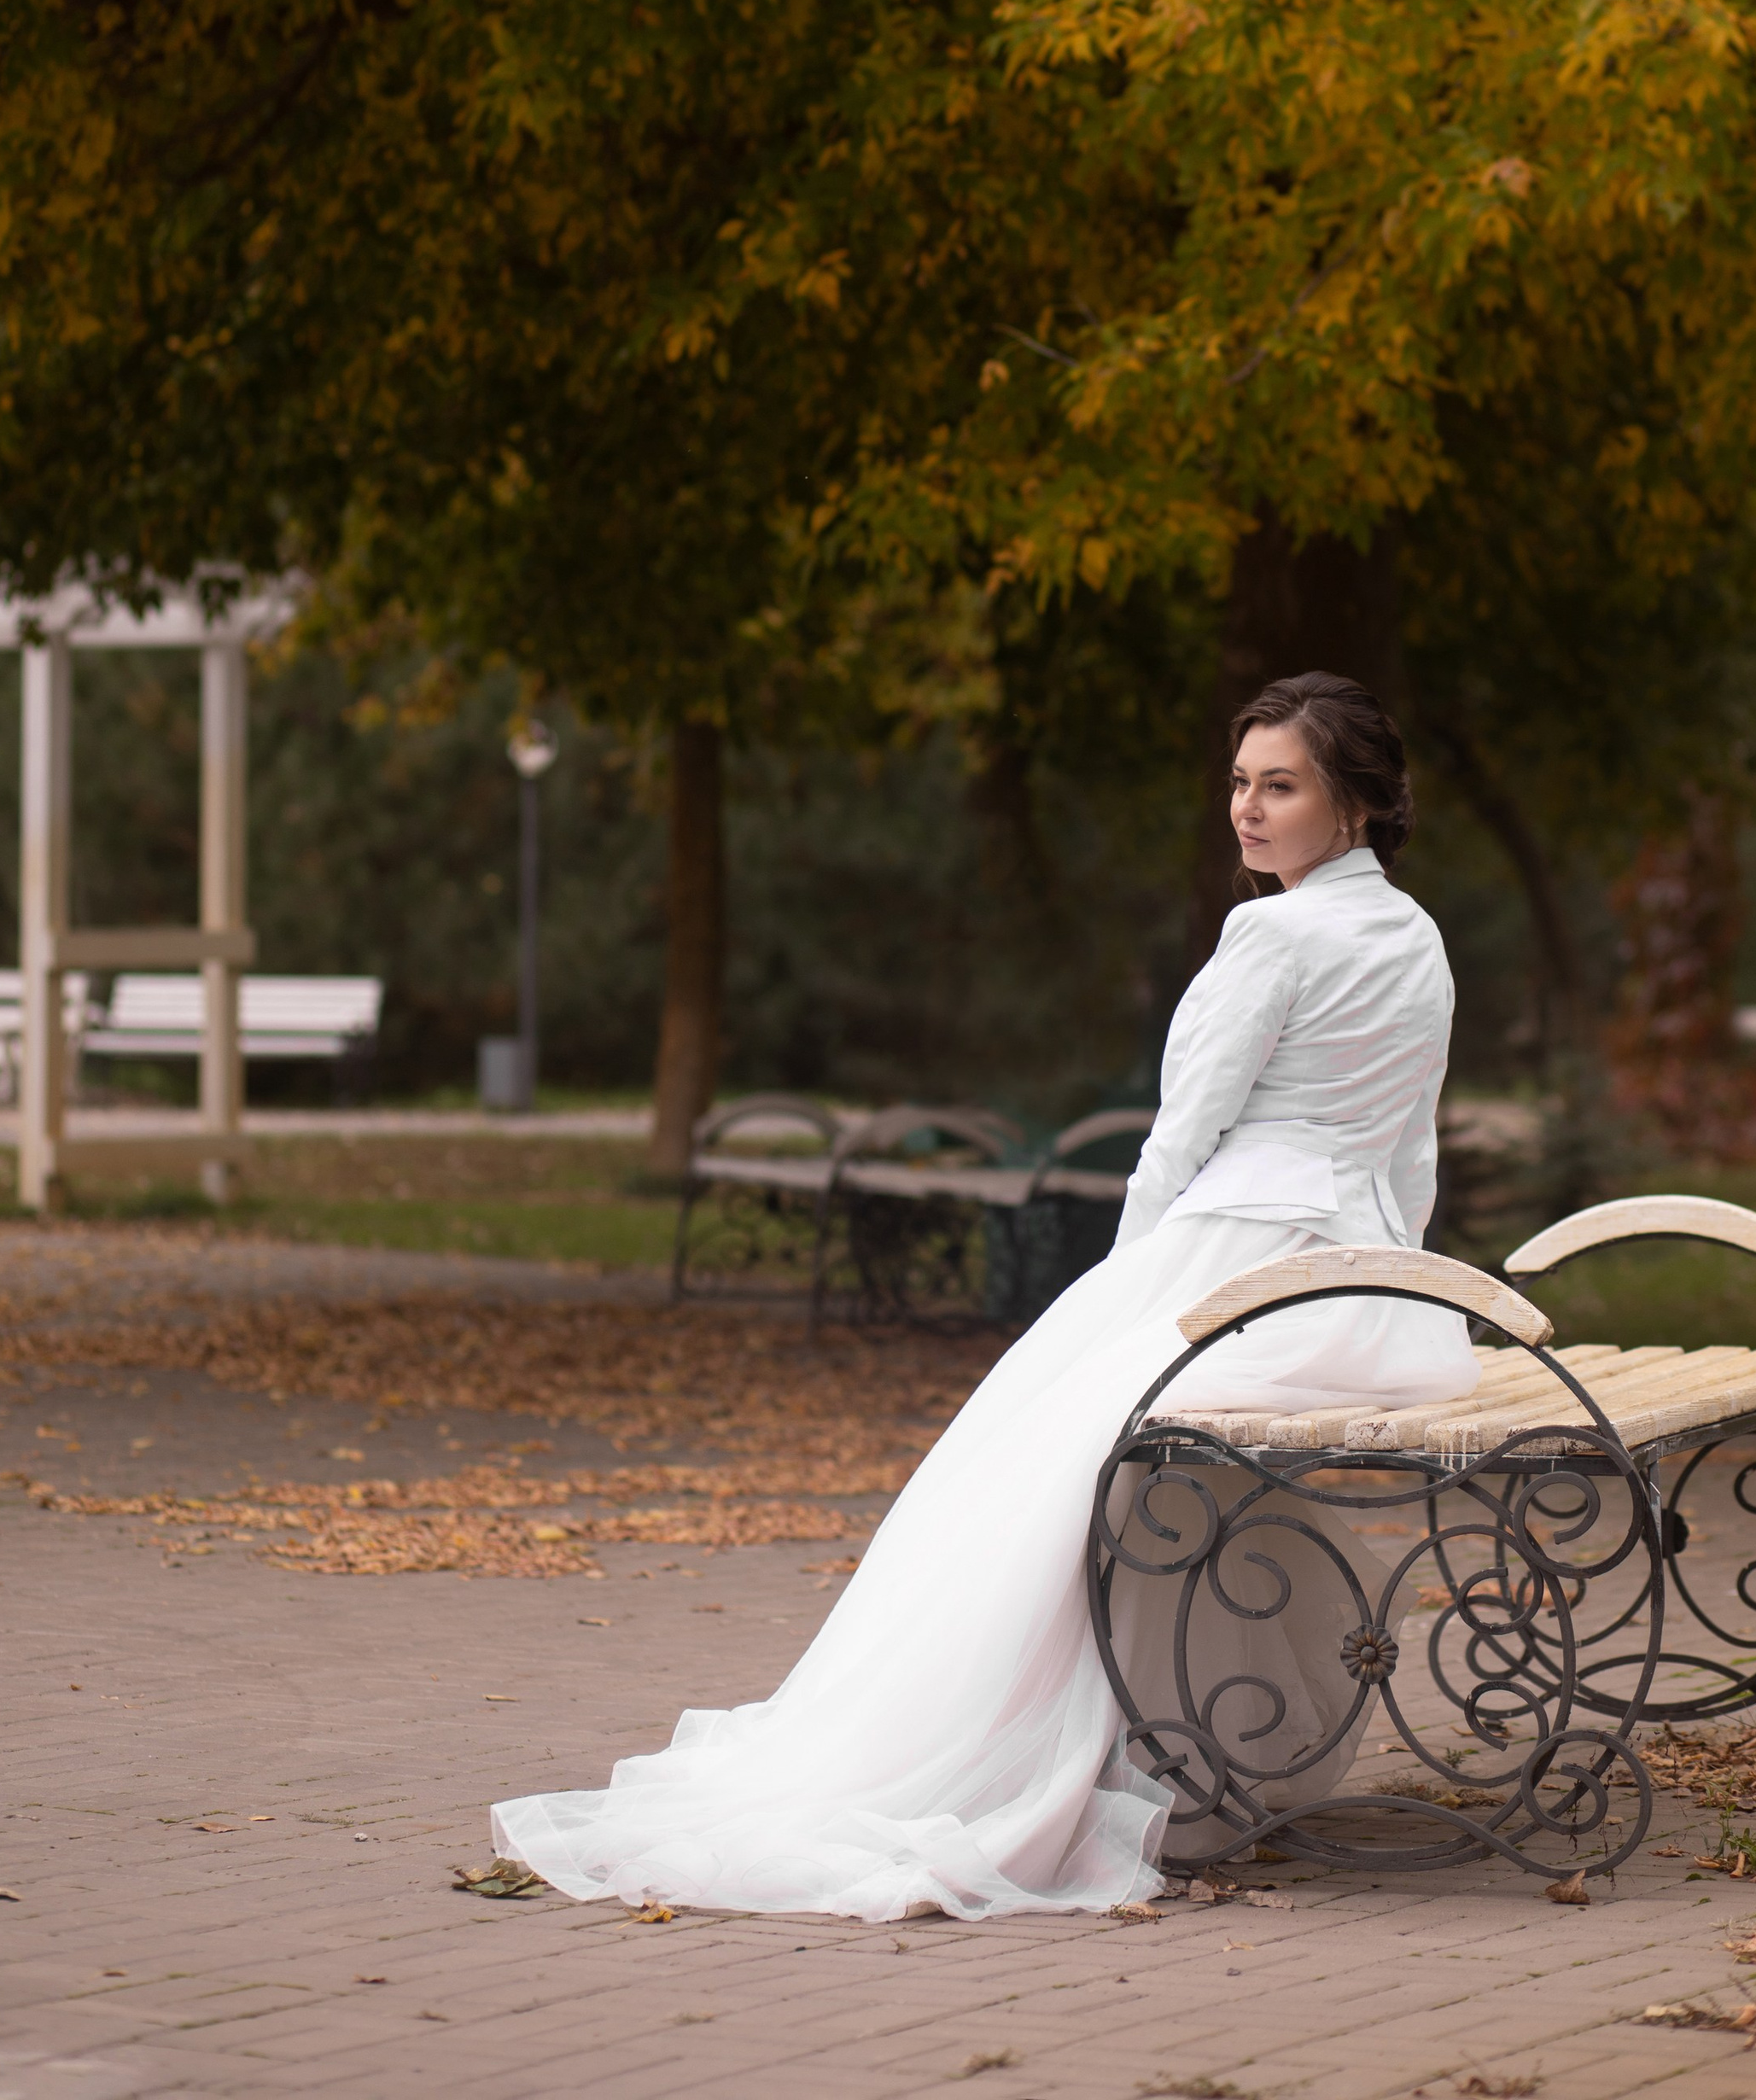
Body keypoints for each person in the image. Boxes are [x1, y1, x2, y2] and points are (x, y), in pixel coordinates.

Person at [488, 669, 1473, 1923]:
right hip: (1366, 1286)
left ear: (1353, 809)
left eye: (1279, 786)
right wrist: (1401, 1270)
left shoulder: (1271, 936)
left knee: (1046, 1457)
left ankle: (1043, 1755)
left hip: (1238, 1257)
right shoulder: (1416, 937)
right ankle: (1177, 1751)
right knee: (1105, 1467)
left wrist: (1125, 1280)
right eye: (1239, 782)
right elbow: (1408, 1150)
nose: (1247, 807)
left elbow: (1182, 1136)